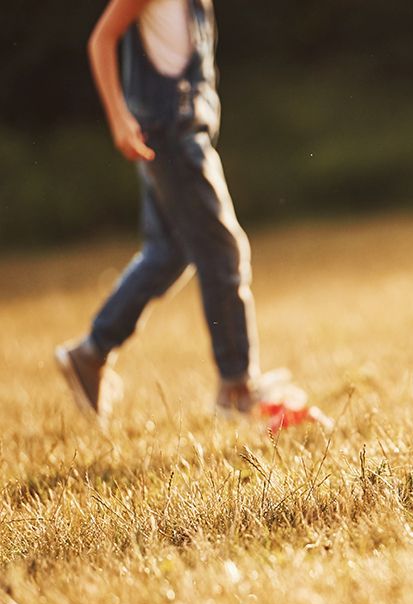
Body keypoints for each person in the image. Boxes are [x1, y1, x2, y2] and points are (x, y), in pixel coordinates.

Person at [56, 0, 265, 418]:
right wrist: (119, 118)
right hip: (170, 136)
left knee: (168, 253)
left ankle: (90, 353)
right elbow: (102, 39)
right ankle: (237, 386)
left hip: (183, 131)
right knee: (224, 252)